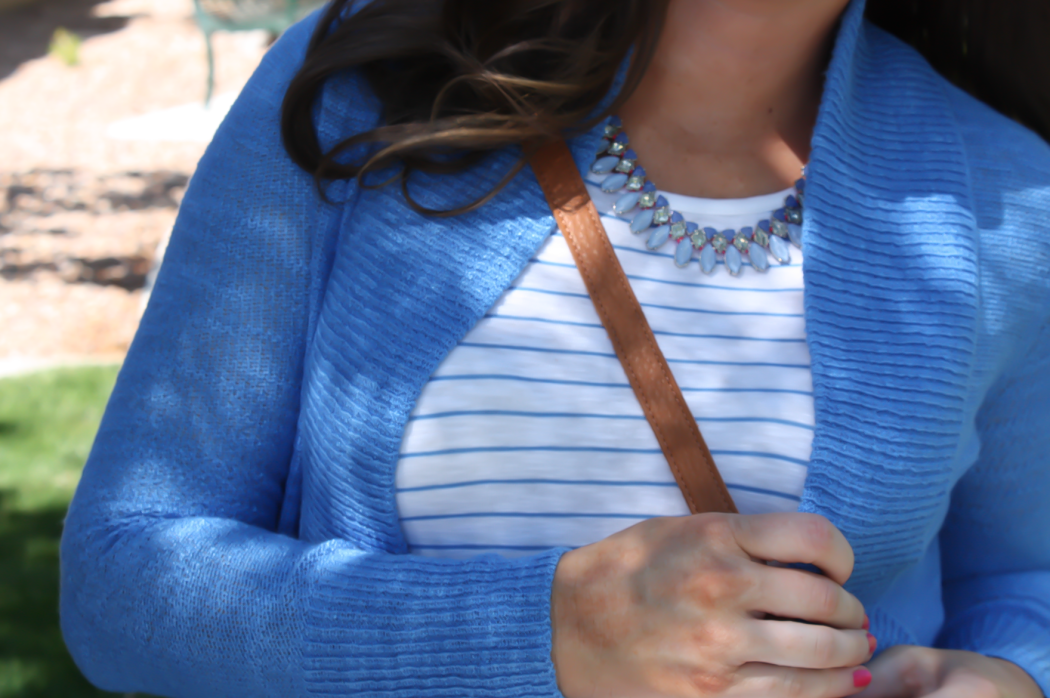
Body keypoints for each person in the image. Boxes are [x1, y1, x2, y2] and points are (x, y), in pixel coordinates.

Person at [59, 1, 1050, 697]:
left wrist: (1005, 674)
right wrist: (550, 630)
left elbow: (1024, 577)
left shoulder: (1007, 194)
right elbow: (122, 579)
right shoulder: (366, 86)